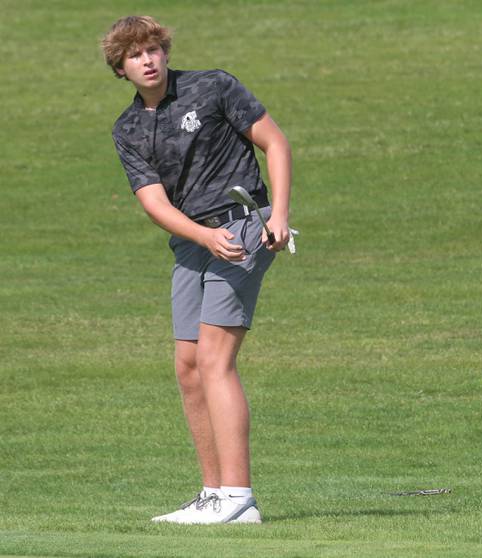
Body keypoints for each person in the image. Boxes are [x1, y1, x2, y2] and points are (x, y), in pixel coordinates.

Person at [101, 15, 292, 524]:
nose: (147, 60)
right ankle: (214, 494)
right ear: (120, 67)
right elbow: (154, 202)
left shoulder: (212, 86)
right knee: (188, 367)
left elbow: (274, 142)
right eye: (134, 55)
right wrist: (202, 236)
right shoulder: (129, 129)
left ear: (164, 51)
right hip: (195, 241)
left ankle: (238, 496)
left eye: (153, 49)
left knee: (214, 359)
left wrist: (279, 215)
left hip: (244, 225)